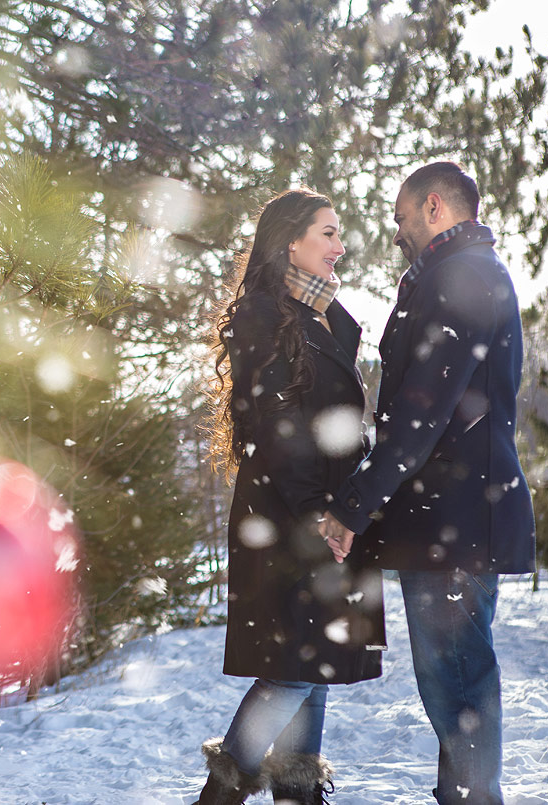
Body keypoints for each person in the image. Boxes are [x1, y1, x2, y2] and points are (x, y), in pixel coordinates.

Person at [319, 161, 535, 805]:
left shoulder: (461, 277)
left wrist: (356, 504)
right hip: (453, 516)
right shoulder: (454, 275)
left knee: (458, 684)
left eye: (401, 218)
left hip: (456, 521)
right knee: (453, 686)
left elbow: (420, 413)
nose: (395, 233)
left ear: (435, 207)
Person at [194, 188, 386, 805]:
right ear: (290, 242)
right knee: (293, 671)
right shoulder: (263, 316)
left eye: (339, 233)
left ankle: (299, 795)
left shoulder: (328, 315)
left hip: (328, 509)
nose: (340, 245)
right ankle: (219, 797)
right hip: (289, 516)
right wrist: (317, 514)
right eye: (328, 233)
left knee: (316, 666)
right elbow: (281, 433)